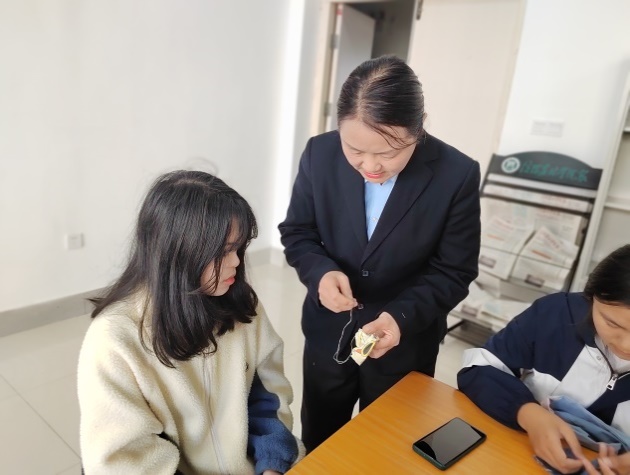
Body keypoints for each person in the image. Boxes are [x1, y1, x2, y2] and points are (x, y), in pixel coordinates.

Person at [278, 55, 481, 452]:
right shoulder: (320, 153)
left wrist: (400, 317)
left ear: (419, 127)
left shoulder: (456, 174)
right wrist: (320, 273)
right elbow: (298, 232)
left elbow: (454, 270)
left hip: (405, 338)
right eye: (354, 148)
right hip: (329, 331)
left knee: (388, 446)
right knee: (322, 438)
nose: (370, 165)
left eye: (388, 152)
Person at [78, 171, 304, 474]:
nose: (237, 262)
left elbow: (266, 399)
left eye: (238, 248)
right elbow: (126, 459)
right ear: (177, 252)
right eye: (223, 251)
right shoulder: (114, 339)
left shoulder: (242, 306)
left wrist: (273, 464)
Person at [458, 244, 630, 475]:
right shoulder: (556, 315)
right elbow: (479, 367)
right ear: (590, 298)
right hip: (516, 458)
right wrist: (527, 413)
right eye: (611, 323)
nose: (625, 346)